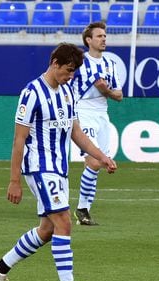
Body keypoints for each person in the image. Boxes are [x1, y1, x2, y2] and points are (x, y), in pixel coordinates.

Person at [0, 43, 117, 281]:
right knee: (64, 222)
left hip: (59, 168)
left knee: (47, 230)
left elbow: (76, 133)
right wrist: (14, 180)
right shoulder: (31, 92)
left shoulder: (67, 92)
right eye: (68, 70)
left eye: (74, 72)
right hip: (39, 167)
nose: (70, 76)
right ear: (54, 63)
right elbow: (18, 140)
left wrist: (101, 156)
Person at [70, 22, 123, 225]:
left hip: (102, 113)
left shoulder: (110, 64)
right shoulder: (79, 61)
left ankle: (84, 210)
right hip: (82, 110)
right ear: (88, 40)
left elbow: (119, 95)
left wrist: (106, 91)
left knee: (99, 164)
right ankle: (82, 209)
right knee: (93, 160)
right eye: (99, 36)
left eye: (105, 36)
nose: (103, 39)